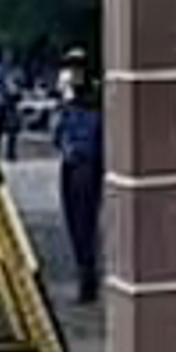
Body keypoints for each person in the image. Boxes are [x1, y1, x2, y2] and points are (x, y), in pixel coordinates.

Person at [52, 66, 104, 307]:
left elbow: (60, 139)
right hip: (80, 167)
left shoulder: (79, 112)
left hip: (81, 167)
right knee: (81, 224)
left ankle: (87, 277)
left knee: (81, 224)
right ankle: (87, 274)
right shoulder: (83, 111)